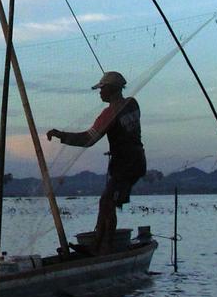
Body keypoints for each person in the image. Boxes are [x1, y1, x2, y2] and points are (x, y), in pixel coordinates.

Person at [46, 71, 146, 254]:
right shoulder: (132, 103)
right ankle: (98, 246)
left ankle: (104, 248)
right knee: (105, 203)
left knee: (107, 203)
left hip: (125, 165)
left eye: (102, 89)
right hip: (135, 161)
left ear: (112, 89)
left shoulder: (110, 114)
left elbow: (88, 140)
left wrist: (61, 135)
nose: (100, 93)